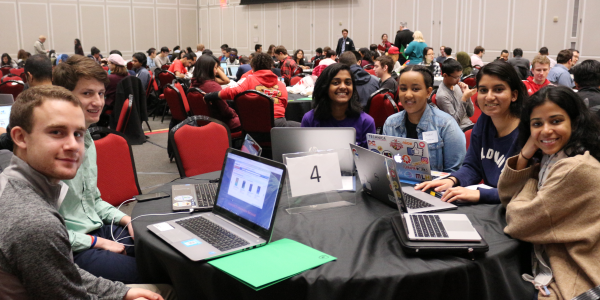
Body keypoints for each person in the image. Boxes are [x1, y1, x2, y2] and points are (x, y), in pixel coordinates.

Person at [0, 85, 164, 300]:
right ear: (20, 137)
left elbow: (62, 273)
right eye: (56, 132)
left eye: (78, 134)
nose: (73, 145)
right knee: (171, 288)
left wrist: (121, 292)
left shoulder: (15, 184)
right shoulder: (35, 221)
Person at [497, 85, 600, 300]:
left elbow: (519, 222)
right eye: (537, 124)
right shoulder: (552, 158)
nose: (545, 130)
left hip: (580, 278)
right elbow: (507, 197)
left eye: (556, 121)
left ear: (575, 121)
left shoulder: (575, 168)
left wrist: (531, 182)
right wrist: (525, 154)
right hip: (556, 263)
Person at [415, 61, 525, 204]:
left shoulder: (527, 132)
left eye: (498, 90)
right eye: (484, 90)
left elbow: (524, 191)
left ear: (514, 95)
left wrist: (479, 194)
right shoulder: (485, 120)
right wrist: (451, 180)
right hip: (489, 205)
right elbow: (472, 167)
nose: (489, 97)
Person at [383, 65, 465, 172]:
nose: (408, 95)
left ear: (428, 92)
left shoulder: (446, 125)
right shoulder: (391, 123)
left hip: (435, 187)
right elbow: (386, 166)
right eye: (403, 89)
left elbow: (455, 173)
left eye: (415, 89)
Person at [204, 52, 299, 127]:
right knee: (303, 126)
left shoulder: (248, 80)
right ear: (271, 67)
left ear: (253, 67)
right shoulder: (281, 84)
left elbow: (230, 91)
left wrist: (209, 96)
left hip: (255, 126)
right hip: (278, 126)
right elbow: (284, 105)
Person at [301, 63, 375, 147]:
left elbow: (369, 159)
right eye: (336, 83)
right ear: (325, 87)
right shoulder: (310, 119)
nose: (343, 87)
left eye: (348, 83)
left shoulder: (366, 122)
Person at [191, 55, 241, 132]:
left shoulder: (193, 83)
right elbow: (225, 111)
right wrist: (236, 113)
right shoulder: (212, 85)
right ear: (208, 69)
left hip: (205, 122)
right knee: (249, 120)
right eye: (215, 68)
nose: (217, 71)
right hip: (221, 124)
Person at [436, 58, 475, 131]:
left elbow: (471, 113)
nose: (459, 79)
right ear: (445, 75)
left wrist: (466, 94)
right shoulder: (442, 95)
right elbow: (454, 123)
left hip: (470, 125)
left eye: (460, 76)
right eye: (456, 77)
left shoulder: (457, 87)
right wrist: (464, 98)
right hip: (460, 130)